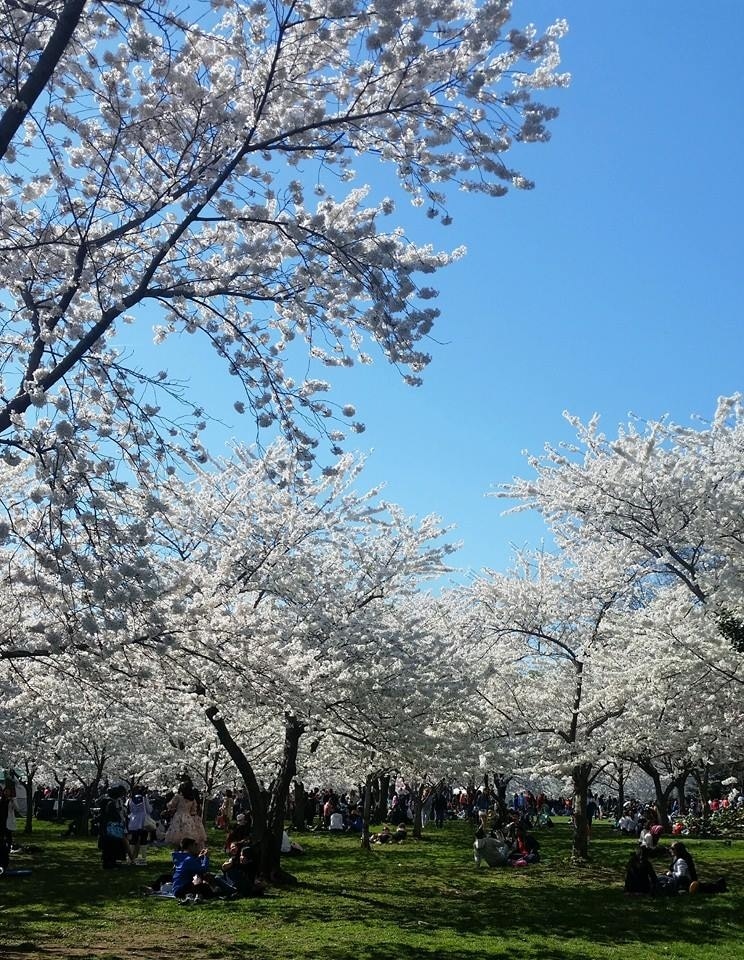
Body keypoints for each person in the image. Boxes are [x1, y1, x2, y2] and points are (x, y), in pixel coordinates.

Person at [165, 782, 207, 848]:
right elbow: (193, 811)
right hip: (188, 817)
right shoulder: (192, 799)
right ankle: (185, 849)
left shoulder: (178, 797)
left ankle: (179, 849)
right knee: (187, 833)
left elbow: (170, 805)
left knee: (177, 833)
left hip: (178, 816)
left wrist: (172, 809)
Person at [99, 784, 130, 869]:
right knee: (111, 846)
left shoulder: (108, 801)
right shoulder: (111, 803)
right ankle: (109, 863)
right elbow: (112, 815)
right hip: (111, 827)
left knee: (111, 845)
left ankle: (111, 862)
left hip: (107, 826)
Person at [171, 838, 211, 902]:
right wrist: (206, 857)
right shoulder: (189, 859)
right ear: (190, 846)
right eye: (195, 845)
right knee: (206, 887)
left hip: (177, 888)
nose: (197, 846)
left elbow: (191, 867)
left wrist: (199, 857)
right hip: (183, 889)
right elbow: (203, 869)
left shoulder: (181, 857)